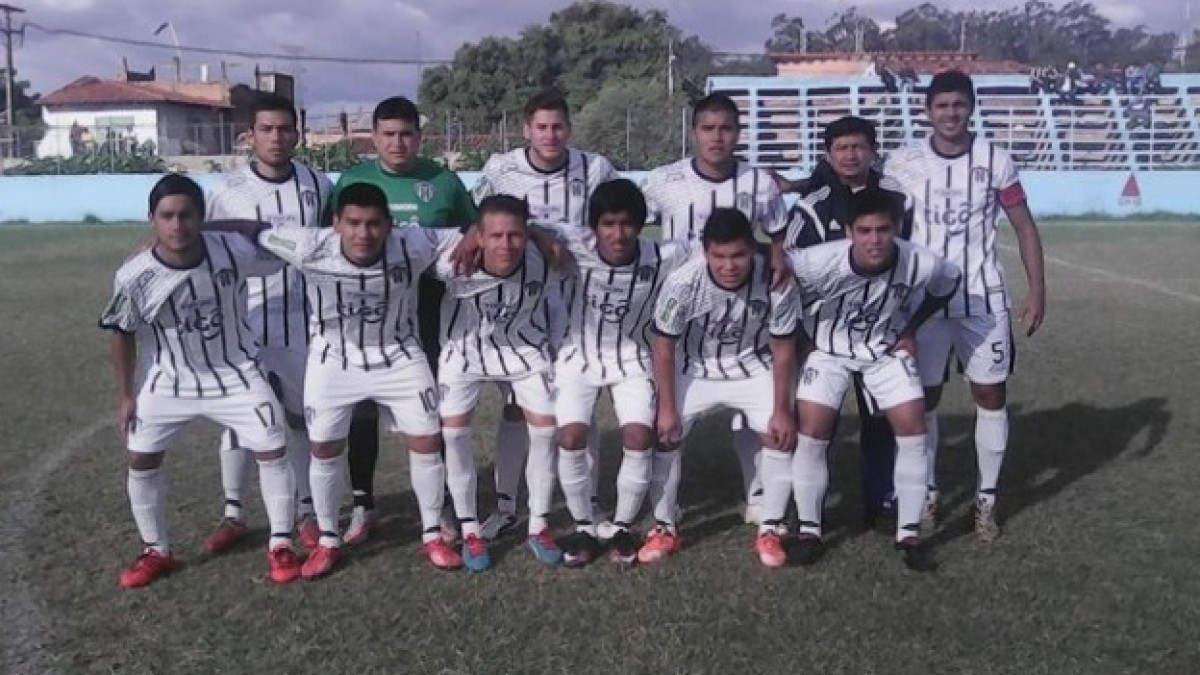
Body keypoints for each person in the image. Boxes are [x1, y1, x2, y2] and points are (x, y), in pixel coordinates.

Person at [212, 182, 467, 578]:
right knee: (324, 448)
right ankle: (329, 540)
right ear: (335, 224)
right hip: (334, 360)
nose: (363, 233)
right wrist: (177, 235)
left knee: (427, 442)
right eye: (353, 223)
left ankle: (432, 535)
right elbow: (253, 229)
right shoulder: (309, 246)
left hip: (399, 357)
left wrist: (485, 236)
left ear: (390, 226)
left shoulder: (415, 242)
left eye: (373, 223)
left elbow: (473, 229)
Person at [99, 174, 300, 589]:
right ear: (152, 219)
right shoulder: (135, 275)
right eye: (167, 216)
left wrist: (219, 227)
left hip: (237, 373)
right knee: (140, 458)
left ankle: (281, 544)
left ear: (202, 218)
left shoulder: (231, 249)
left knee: (272, 448)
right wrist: (126, 396)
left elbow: (269, 235)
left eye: (187, 215)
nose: (177, 225)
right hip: (170, 380)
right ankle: (156, 550)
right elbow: (120, 331)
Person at [884, 70, 1047, 542]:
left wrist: (1037, 289)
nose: (950, 113)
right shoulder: (904, 162)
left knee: (990, 395)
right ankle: (929, 493)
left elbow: (1024, 225)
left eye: (958, 104)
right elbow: (886, 228)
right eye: (942, 105)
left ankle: (986, 501)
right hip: (922, 304)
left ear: (971, 107)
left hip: (983, 298)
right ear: (928, 111)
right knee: (924, 398)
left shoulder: (996, 160)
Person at [470, 89, 620, 542]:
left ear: (569, 129)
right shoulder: (501, 170)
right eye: (541, 127)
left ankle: (588, 503)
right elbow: (480, 221)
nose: (550, 135)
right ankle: (506, 506)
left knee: (580, 407)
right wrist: (536, 232)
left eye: (558, 127)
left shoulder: (595, 169)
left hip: (578, 304)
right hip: (519, 307)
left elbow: (612, 221)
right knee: (517, 407)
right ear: (526, 130)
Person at [787, 189, 961, 572]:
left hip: (883, 350)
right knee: (812, 430)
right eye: (864, 231)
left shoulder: (920, 262)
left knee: (913, 427)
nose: (874, 240)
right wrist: (798, 335)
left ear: (896, 228)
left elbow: (950, 280)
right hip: (828, 350)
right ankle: (809, 532)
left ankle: (909, 536)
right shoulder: (817, 262)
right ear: (848, 231)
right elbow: (779, 275)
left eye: (883, 230)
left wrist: (911, 328)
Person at [329, 96, 479, 545]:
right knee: (361, 408)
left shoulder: (443, 181)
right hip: (366, 314)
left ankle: (442, 503)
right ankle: (363, 503)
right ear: (374, 137)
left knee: (430, 407)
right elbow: (327, 237)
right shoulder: (353, 180)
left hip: (428, 310)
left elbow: (475, 228)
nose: (398, 143)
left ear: (420, 137)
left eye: (406, 134)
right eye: (389, 134)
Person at [641, 93, 790, 528]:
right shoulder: (663, 180)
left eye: (726, 128)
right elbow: (626, 223)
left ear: (738, 134)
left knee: (754, 415)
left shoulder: (759, 183)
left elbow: (778, 235)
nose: (717, 137)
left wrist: (777, 257)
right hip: (679, 318)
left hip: (743, 319)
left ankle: (758, 498)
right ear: (694, 132)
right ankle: (664, 514)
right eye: (708, 128)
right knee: (664, 420)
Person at [202, 93, 332, 556]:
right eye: (266, 129)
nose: (276, 137)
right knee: (240, 420)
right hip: (245, 323)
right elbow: (208, 251)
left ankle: (307, 512)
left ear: (297, 133)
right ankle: (234, 514)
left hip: (305, 322)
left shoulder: (318, 184)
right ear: (250, 135)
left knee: (301, 417)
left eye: (284, 129)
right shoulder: (226, 191)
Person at [546, 178, 696, 567]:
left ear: (641, 225)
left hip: (632, 357)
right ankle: (583, 526)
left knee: (638, 435)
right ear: (594, 226)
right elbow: (527, 222)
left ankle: (622, 528)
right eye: (608, 224)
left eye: (627, 223)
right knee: (571, 435)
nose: (618, 233)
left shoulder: (662, 255)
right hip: (579, 355)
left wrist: (773, 255)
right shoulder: (576, 245)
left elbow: (712, 247)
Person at [775, 115, 914, 532]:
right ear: (828, 154)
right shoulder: (812, 206)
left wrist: (906, 327)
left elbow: (910, 264)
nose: (851, 155)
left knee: (879, 421)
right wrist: (800, 334)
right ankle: (810, 513)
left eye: (859, 147)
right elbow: (791, 273)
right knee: (817, 423)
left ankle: (880, 501)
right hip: (825, 336)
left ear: (872, 151)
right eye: (842, 148)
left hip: (879, 332)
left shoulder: (896, 199)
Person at [648, 208, 799, 568]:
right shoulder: (683, 282)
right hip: (695, 368)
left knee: (779, 435)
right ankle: (664, 526)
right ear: (705, 251)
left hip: (751, 367)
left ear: (752, 250)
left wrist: (782, 410)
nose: (729, 266)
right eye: (719, 256)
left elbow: (783, 348)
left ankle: (771, 527)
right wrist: (667, 408)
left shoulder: (775, 279)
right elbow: (664, 345)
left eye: (738, 255)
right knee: (665, 435)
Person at [434, 195, 567, 570]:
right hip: (464, 351)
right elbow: (408, 241)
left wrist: (539, 233)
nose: (505, 244)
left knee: (545, 430)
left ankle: (537, 526)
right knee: (453, 434)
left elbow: (582, 239)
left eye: (515, 235)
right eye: (495, 235)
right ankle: (470, 530)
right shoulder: (452, 261)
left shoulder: (543, 256)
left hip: (523, 349)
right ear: (479, 235)